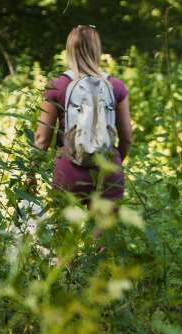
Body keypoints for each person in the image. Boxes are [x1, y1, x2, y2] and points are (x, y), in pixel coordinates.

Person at [33, 25, 132, 203]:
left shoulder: (57, 85)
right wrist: (114, 162)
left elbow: (42, 139)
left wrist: (30, 173)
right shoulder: (115, 86)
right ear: (97, 50)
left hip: (69, 171)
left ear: (69, 51)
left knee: (66, 222)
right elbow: (127, 139)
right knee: (105, 223)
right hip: (108, 172)